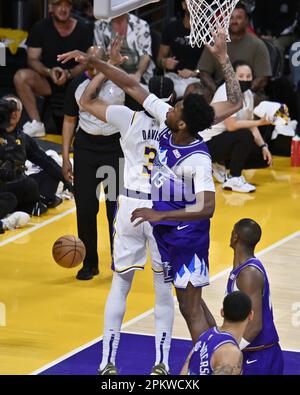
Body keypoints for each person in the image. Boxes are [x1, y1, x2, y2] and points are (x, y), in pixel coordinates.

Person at [57, 27, 243, 344]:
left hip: (182, 229)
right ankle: (219, 350)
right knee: (190, 304)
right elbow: (235, 101)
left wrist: (161, 217)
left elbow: (208, 207)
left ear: (182, 123)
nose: (172, 108)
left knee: (189, 306)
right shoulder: (174, 117)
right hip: (164, 221)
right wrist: (96, 62)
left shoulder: (193, 153)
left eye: (177, 109)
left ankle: (215, 358)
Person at [59, 41, 175, 374]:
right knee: (162, 289)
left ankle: (107, 361)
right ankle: (161, 364)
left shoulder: (128, 117)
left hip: (129, 204)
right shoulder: (178, 124)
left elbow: (86, 101)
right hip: (163, 208)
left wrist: (100, 65)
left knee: (120, 284)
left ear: (146, 94)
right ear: (174, 102)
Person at [62, 45, 124, 280]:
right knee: (86, 208)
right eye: (92, 60)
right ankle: (89, 263)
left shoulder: (120, 83)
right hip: (86, 149)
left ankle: (119, 260)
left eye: (99, 60)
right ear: (87, 61)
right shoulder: (77, 85)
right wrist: (66, 157)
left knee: (114, 208)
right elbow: (69, 121)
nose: (94, 64)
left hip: (113, 148)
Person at [13, 0, 93, 137]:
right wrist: (49, 72)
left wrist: (69, 74)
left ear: (71, 7)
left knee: (93, 75)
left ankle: (88, 129)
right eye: (59, 5)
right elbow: (32, 59)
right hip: (48, 80)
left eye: (67, 5)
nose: (63, 9)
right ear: (51, 7)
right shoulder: (40, 27)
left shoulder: (83, 29)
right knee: (21, 77)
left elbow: (87, 62)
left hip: (76, 82)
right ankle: (36, 123)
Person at [200, 60, 273, 193]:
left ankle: (218, 164)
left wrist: (263, 146)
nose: (245, 79)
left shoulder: (249, 94)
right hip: (206, 143)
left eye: (248, 76)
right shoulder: (226, 91)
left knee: (263, 159)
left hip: (224, 140)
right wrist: (260, 122)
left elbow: (250, 123)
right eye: (241, 76)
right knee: (244, 136)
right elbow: (231, 126)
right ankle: (234, 178)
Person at [227, 218, 284, 375]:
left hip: (260, 355)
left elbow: (255, 325)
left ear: (235, 237)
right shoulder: (241, 269)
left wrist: (229, 350)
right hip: (254, 352)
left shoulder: (248, 274)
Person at [0, 95, 70, 216]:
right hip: (3, 186)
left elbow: (45, 161)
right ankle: (29, 206)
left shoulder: (23, 138)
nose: (13, 114)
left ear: (20, 114)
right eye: (9, 109)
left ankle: (38, 201)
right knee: (18, 193)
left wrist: (68, 182)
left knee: (52, 169)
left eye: (16, 110)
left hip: (18, 182)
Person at [197, 4, 272, 95]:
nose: (234, 21)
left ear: (246, 21)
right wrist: (217, 92)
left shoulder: (258, 45)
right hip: (218, 90)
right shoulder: (216, 42)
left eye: (239, 17)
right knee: (193, 90)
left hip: (250, 93)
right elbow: (204, 72)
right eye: (231, 18)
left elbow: (263, 78)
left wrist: (241, 95)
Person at [181, 291, 253, 375]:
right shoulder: (231, 353)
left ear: (222, 312)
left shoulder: (205, 335)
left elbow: (186, 366)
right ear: (251, 315)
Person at [157, 0, 204, 98]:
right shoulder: (171, 28)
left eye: (198, 2)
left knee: (192, 92)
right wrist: (164, 62)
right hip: (173, 77)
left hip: (196, 79)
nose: (194, 5)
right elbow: (159, 59)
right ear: (183, 5)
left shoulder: (206, 31)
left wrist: (195, 73)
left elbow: (211, 68)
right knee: (163, 91)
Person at [94, 12, 155, 84]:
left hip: (139, 75)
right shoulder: (100, 24)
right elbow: (99, 53)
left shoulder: (140, 24)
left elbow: (145, 56)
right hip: (111, 72)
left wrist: (137, 75)